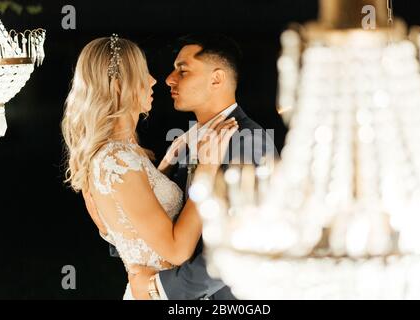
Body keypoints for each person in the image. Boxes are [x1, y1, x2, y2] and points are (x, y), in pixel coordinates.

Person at [61, 35, 238, 300]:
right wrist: (206, 169)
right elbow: (177, 250)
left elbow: (128, 216)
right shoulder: (118, 160)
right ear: (120, 85)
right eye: (143, 72)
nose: (154, 80)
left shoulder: (120, 154)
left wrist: (164, 166)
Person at [128, 34, 277, 300]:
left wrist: (161, 290)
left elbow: (241, 242)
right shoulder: (188, 141)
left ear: (216, 79)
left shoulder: (249, 141)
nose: (169, 79)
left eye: (182, 71)